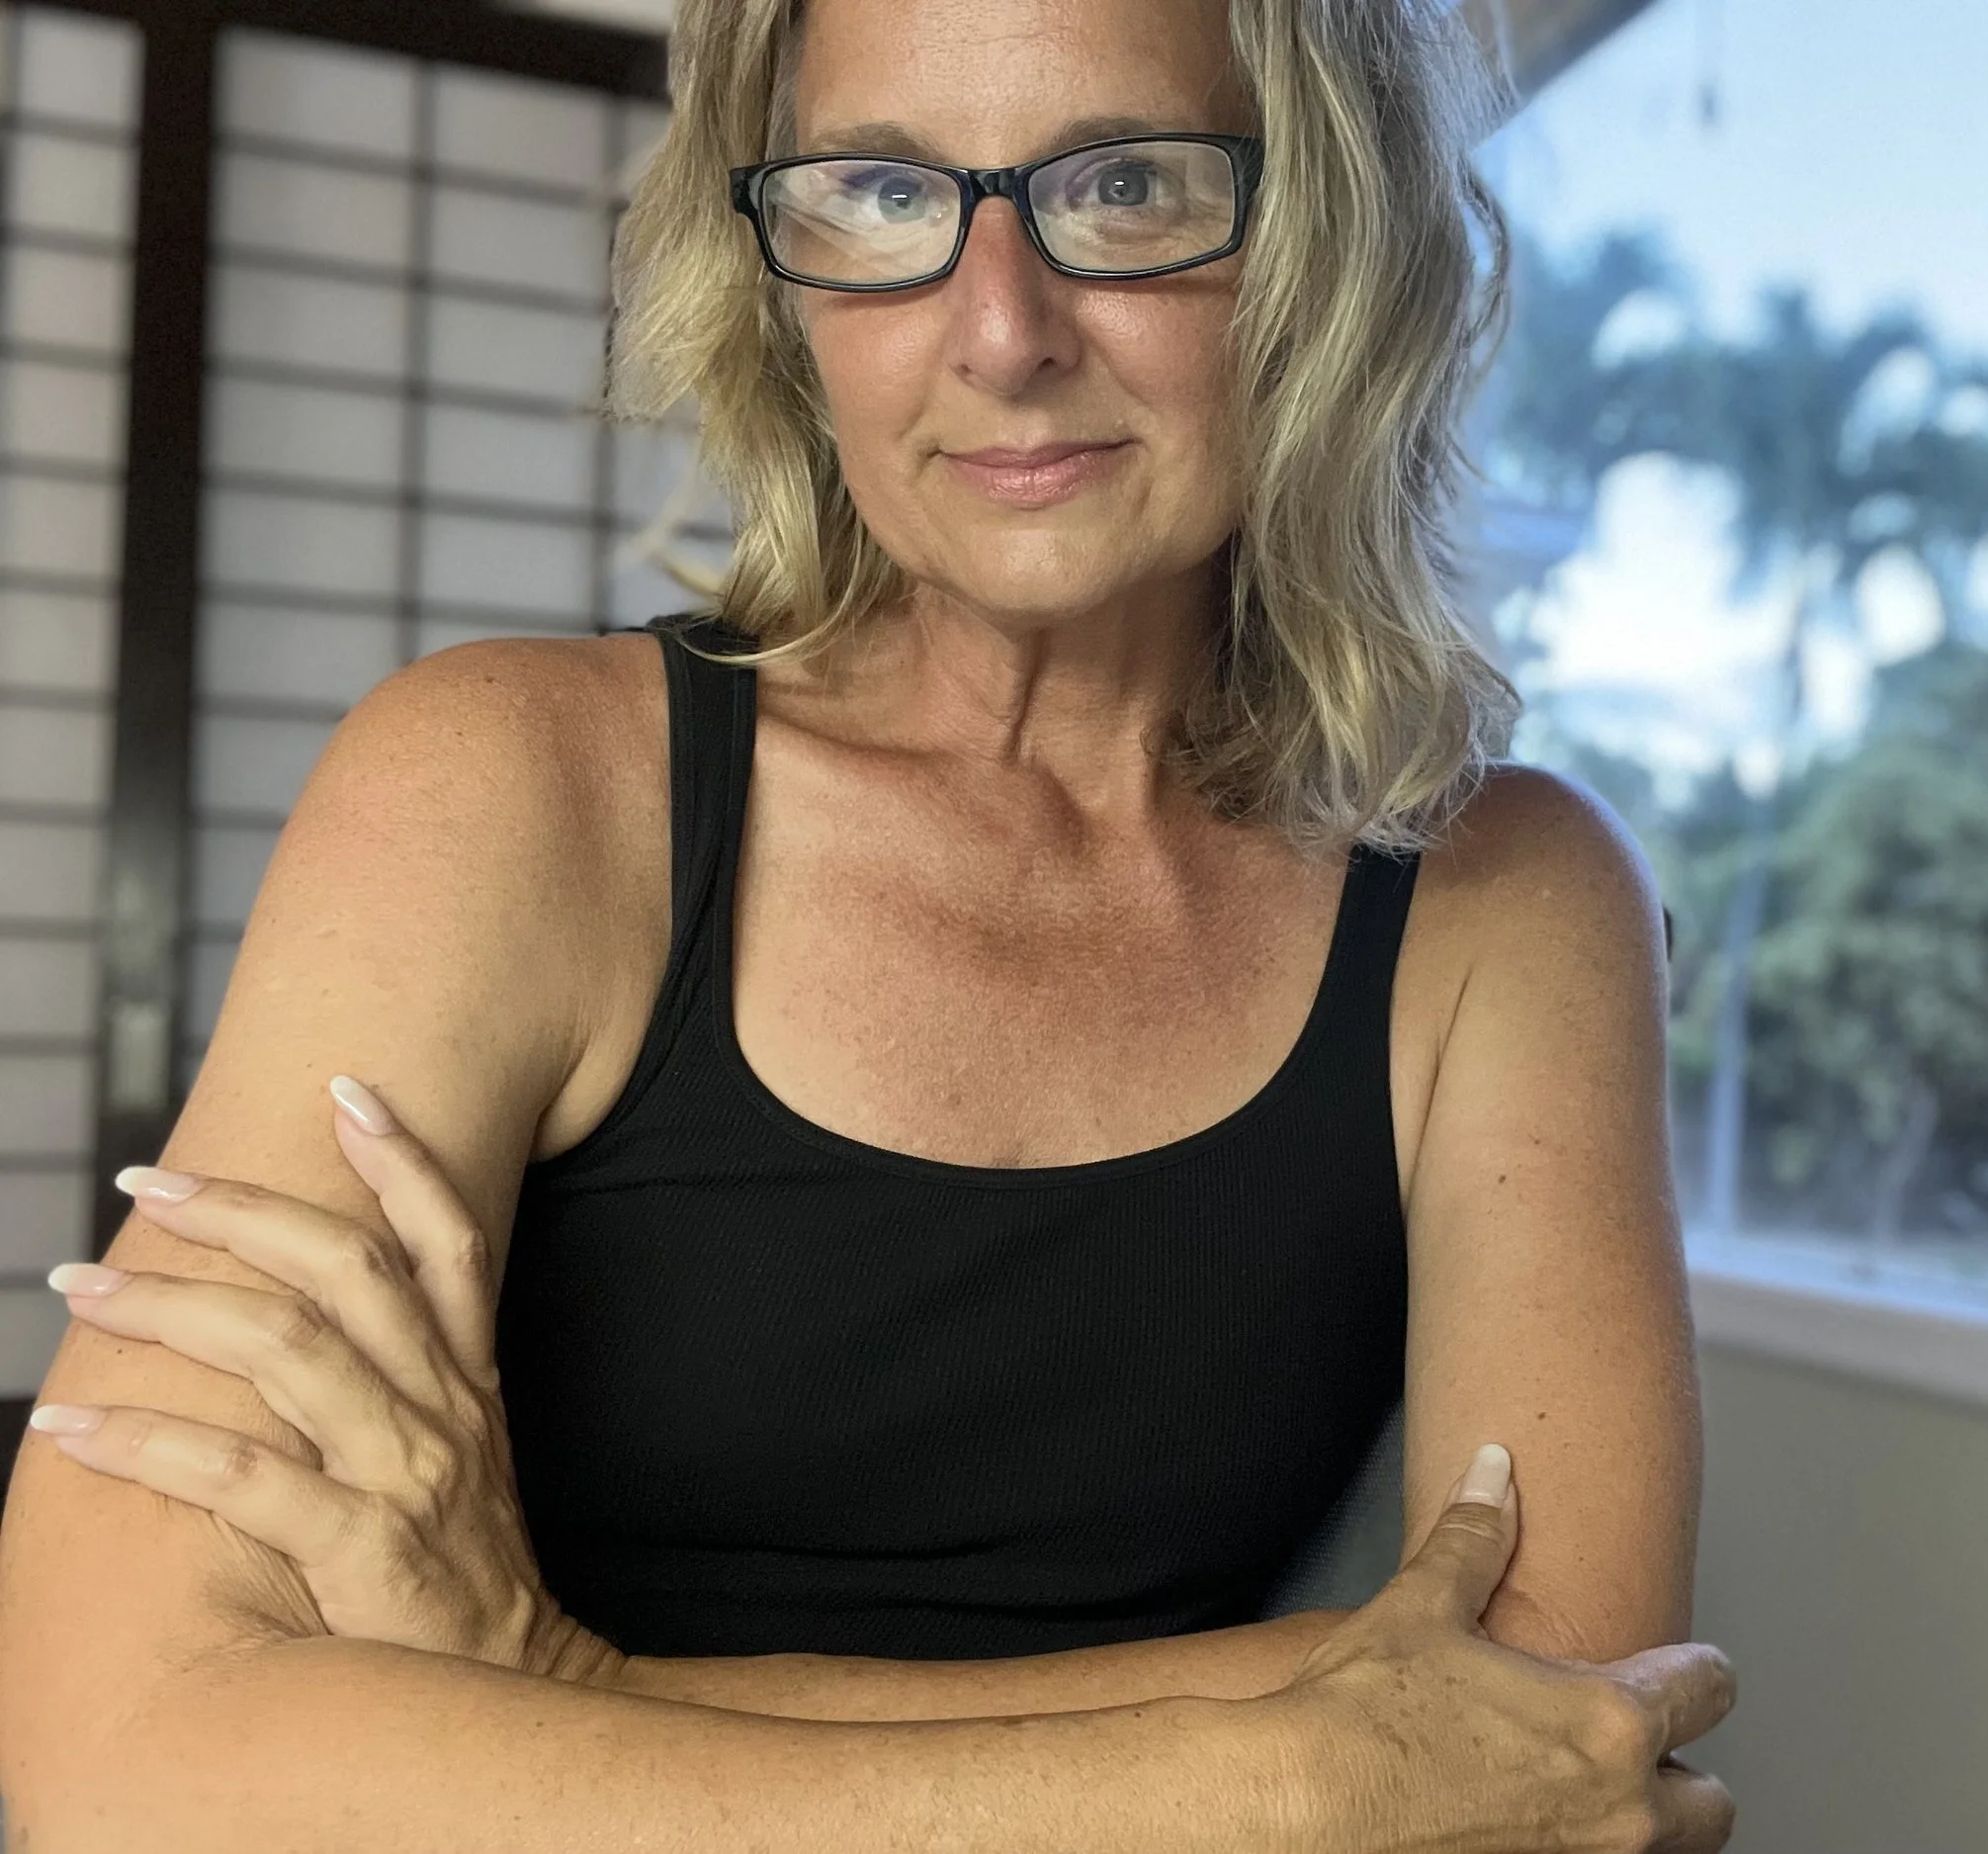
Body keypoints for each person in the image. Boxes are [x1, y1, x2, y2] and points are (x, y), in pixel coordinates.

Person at [0, 0, 1734, 1844]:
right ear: (783, 272)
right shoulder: (505, 788)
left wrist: (556, 1683)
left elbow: (1561, 1751)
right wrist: (1296, 1766)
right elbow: (119, 1752)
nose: (999, 332)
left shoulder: (1508, 899)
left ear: (1332, 232)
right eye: (885, 191)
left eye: (1129, 184)